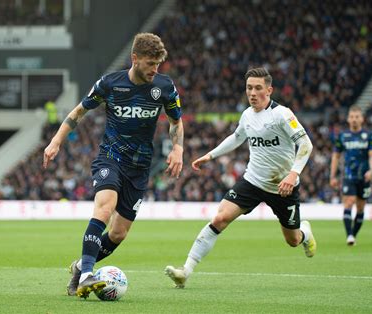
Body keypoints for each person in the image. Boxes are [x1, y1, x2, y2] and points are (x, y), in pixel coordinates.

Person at [43, 33, 184, 298]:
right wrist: (56, 141)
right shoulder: (110, 84)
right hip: (111, 157)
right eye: (150, 63)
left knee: (118, 233)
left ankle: (81, 267)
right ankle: (87, 275)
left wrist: (178, 148)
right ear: (135, 59)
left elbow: (176, 121)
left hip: (139, 167)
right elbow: (78, 113)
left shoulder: (164, 87)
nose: (155, 69)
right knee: (105, 206)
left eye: (158, 64)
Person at [165, 67, 316, 289]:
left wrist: (293, 175)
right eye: (249, 88)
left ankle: (305, 233)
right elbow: (236, 138)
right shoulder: (247, 115)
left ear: (269, 90)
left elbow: (306, 144)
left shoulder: (282, 114)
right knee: (219, 219)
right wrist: (210, 155)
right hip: (253, 181)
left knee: (292, 240)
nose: (252, 93)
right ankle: (185, 271)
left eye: (258, 88)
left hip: (283, 186)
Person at [330, 105, 372, 246]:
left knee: (361, 207)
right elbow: (336, 156)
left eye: (357, 117)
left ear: (362, 119)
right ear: (348, 119)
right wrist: (332, 176)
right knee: (349, 202)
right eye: (352, 117)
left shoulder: (369, 135)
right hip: (349, 176)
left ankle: (353, 235)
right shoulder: (342, 136)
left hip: (364, 176)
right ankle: (349, 235)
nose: (354, 119)